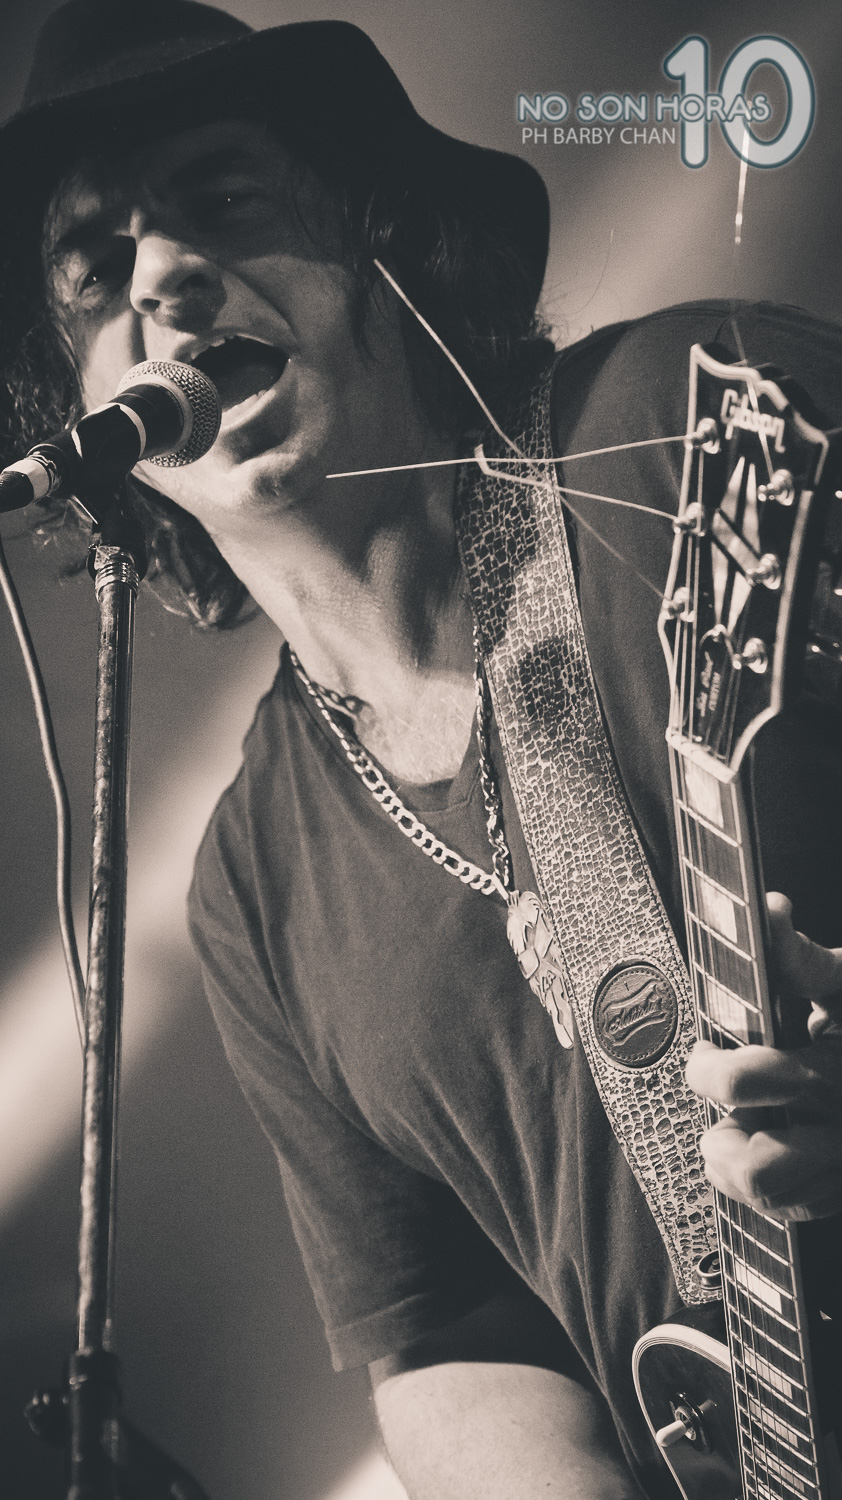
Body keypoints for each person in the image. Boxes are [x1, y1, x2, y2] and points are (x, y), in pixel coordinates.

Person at [2, 2, 841, 1496]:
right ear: (76, 411)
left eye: (222, 201)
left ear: (378, 241)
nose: (167, 279)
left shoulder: (695, 415)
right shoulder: (252, 880)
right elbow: (451, 1335)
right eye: (97, 273)